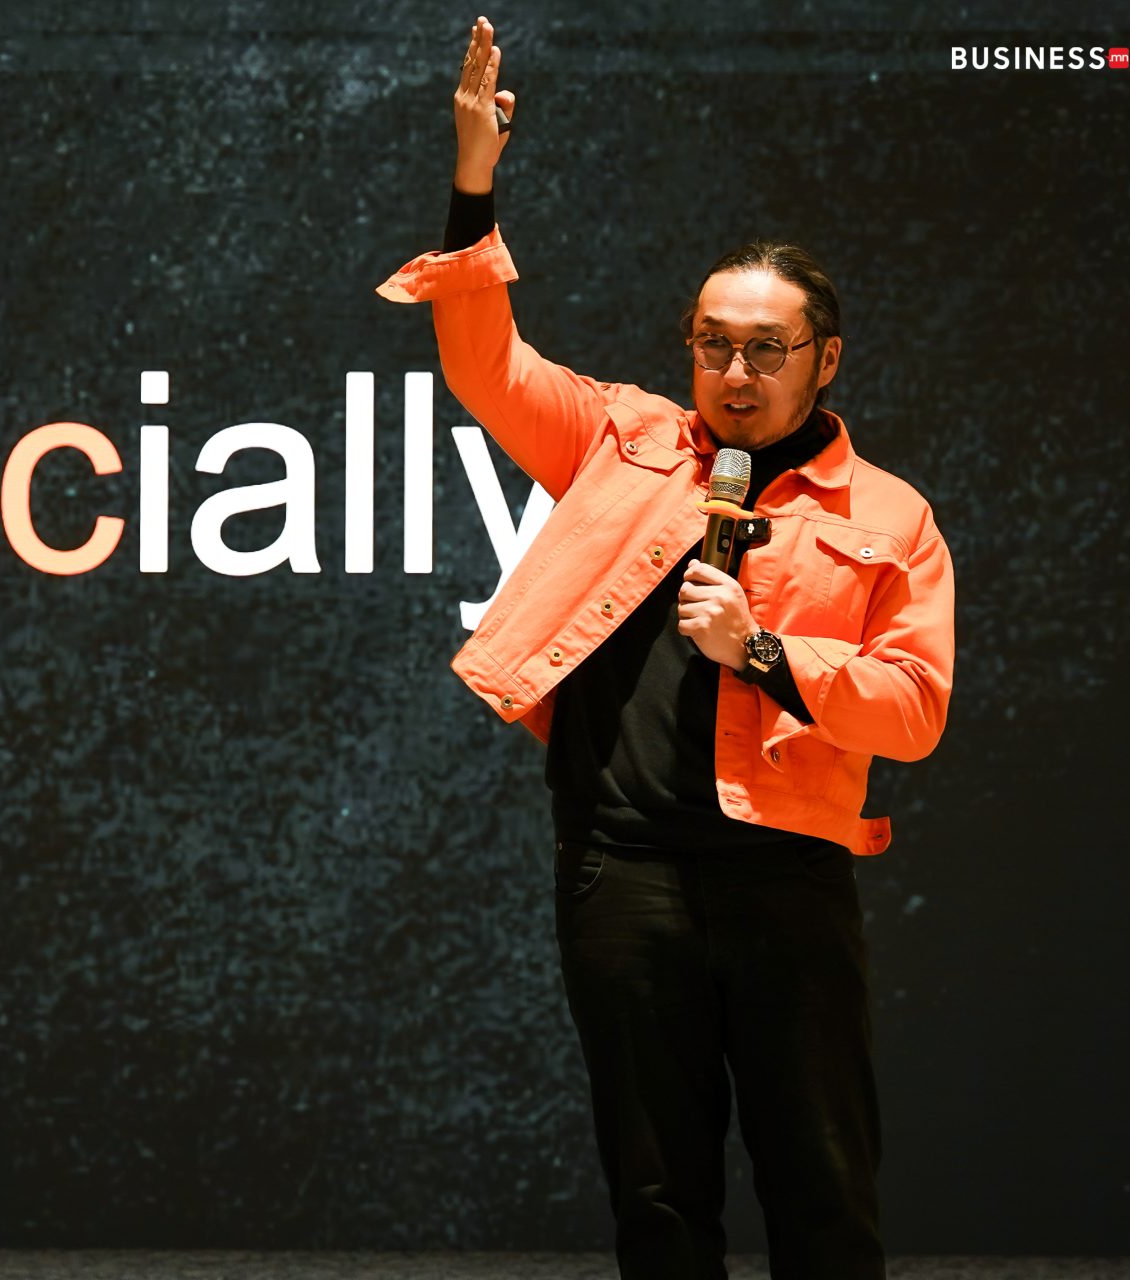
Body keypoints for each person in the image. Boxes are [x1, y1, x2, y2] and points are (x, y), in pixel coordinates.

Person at [374, 16, 956, 1279]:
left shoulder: (891, 514)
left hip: (787, 878)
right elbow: (484, 363)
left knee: (822, 1192)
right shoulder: (622, 439)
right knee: (658, 1199)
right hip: (622, 869)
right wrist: (474, 180)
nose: (732, 372)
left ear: (825, 358)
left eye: (765, 349)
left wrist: (769, 653)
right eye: (712, 344)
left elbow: (913, 709)